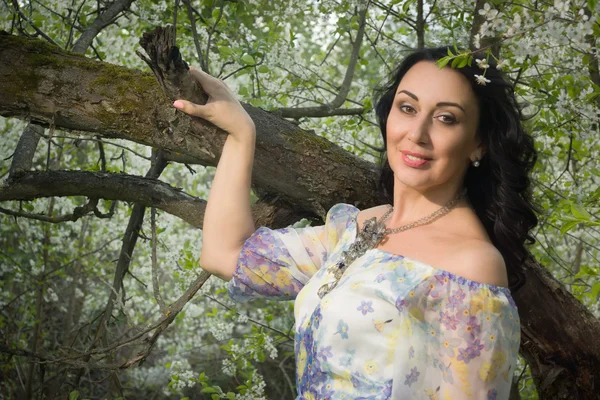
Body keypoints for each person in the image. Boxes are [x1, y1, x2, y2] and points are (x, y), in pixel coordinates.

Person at [173, 46, 538, 400]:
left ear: (478, 144)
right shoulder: (359, 227)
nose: (417, 133)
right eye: (407, 108)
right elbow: (225, 253)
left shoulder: (470, 268)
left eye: (446, 118)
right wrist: (241, 135)